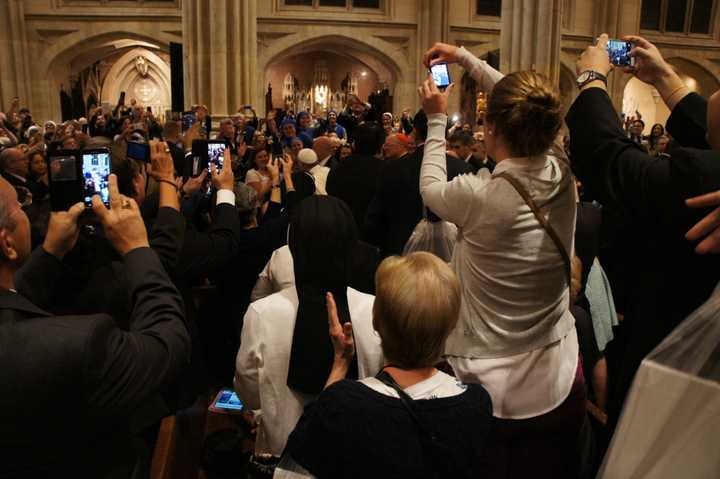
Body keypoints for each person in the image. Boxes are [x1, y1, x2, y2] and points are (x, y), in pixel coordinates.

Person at [419, 42, 584, 478]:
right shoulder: (561, 171)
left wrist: (437, 117)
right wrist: (468, 59)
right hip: (558, 377)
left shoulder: (479, 194)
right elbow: (531, 111)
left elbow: (430, 188)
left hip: (486, 389)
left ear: (489, 129)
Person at [567, 33, 720, 429]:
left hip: (674, 382)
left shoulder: (704, 178)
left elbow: (612, 160)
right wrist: (665, 78)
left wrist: (591, 80)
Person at [0, 174, 190, 478]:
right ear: (7, 243)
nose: (26, 209)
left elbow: (11, 301)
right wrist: (137, 248)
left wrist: (50, 253)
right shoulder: (78, 344)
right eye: (19, 206)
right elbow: (167, 343)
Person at [282, 252, 493, 478]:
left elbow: (289, 474)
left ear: (376, 319)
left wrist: (340, 365)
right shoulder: (476, 404)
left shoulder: (342, 404)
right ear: (450, 325)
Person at [234, 195, 384, 459]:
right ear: (351, 245)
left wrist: (265, 414)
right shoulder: (374, 309)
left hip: (285, 451)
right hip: (360, 452)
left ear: (295, 246)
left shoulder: (263, 313)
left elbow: (248, 389)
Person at [365, 110, 471, 258]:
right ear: (445, 133)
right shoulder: (463, 169)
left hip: (400, 259)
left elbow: (375, 221)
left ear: (414, 132)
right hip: (449, 263)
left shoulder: (392, 169)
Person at [326, 122, 385, 230]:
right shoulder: (385, 170)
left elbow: (330, 191)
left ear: (354, 144)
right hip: (373, 232)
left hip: (341, 228)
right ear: (380, 146)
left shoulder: (338, 167)